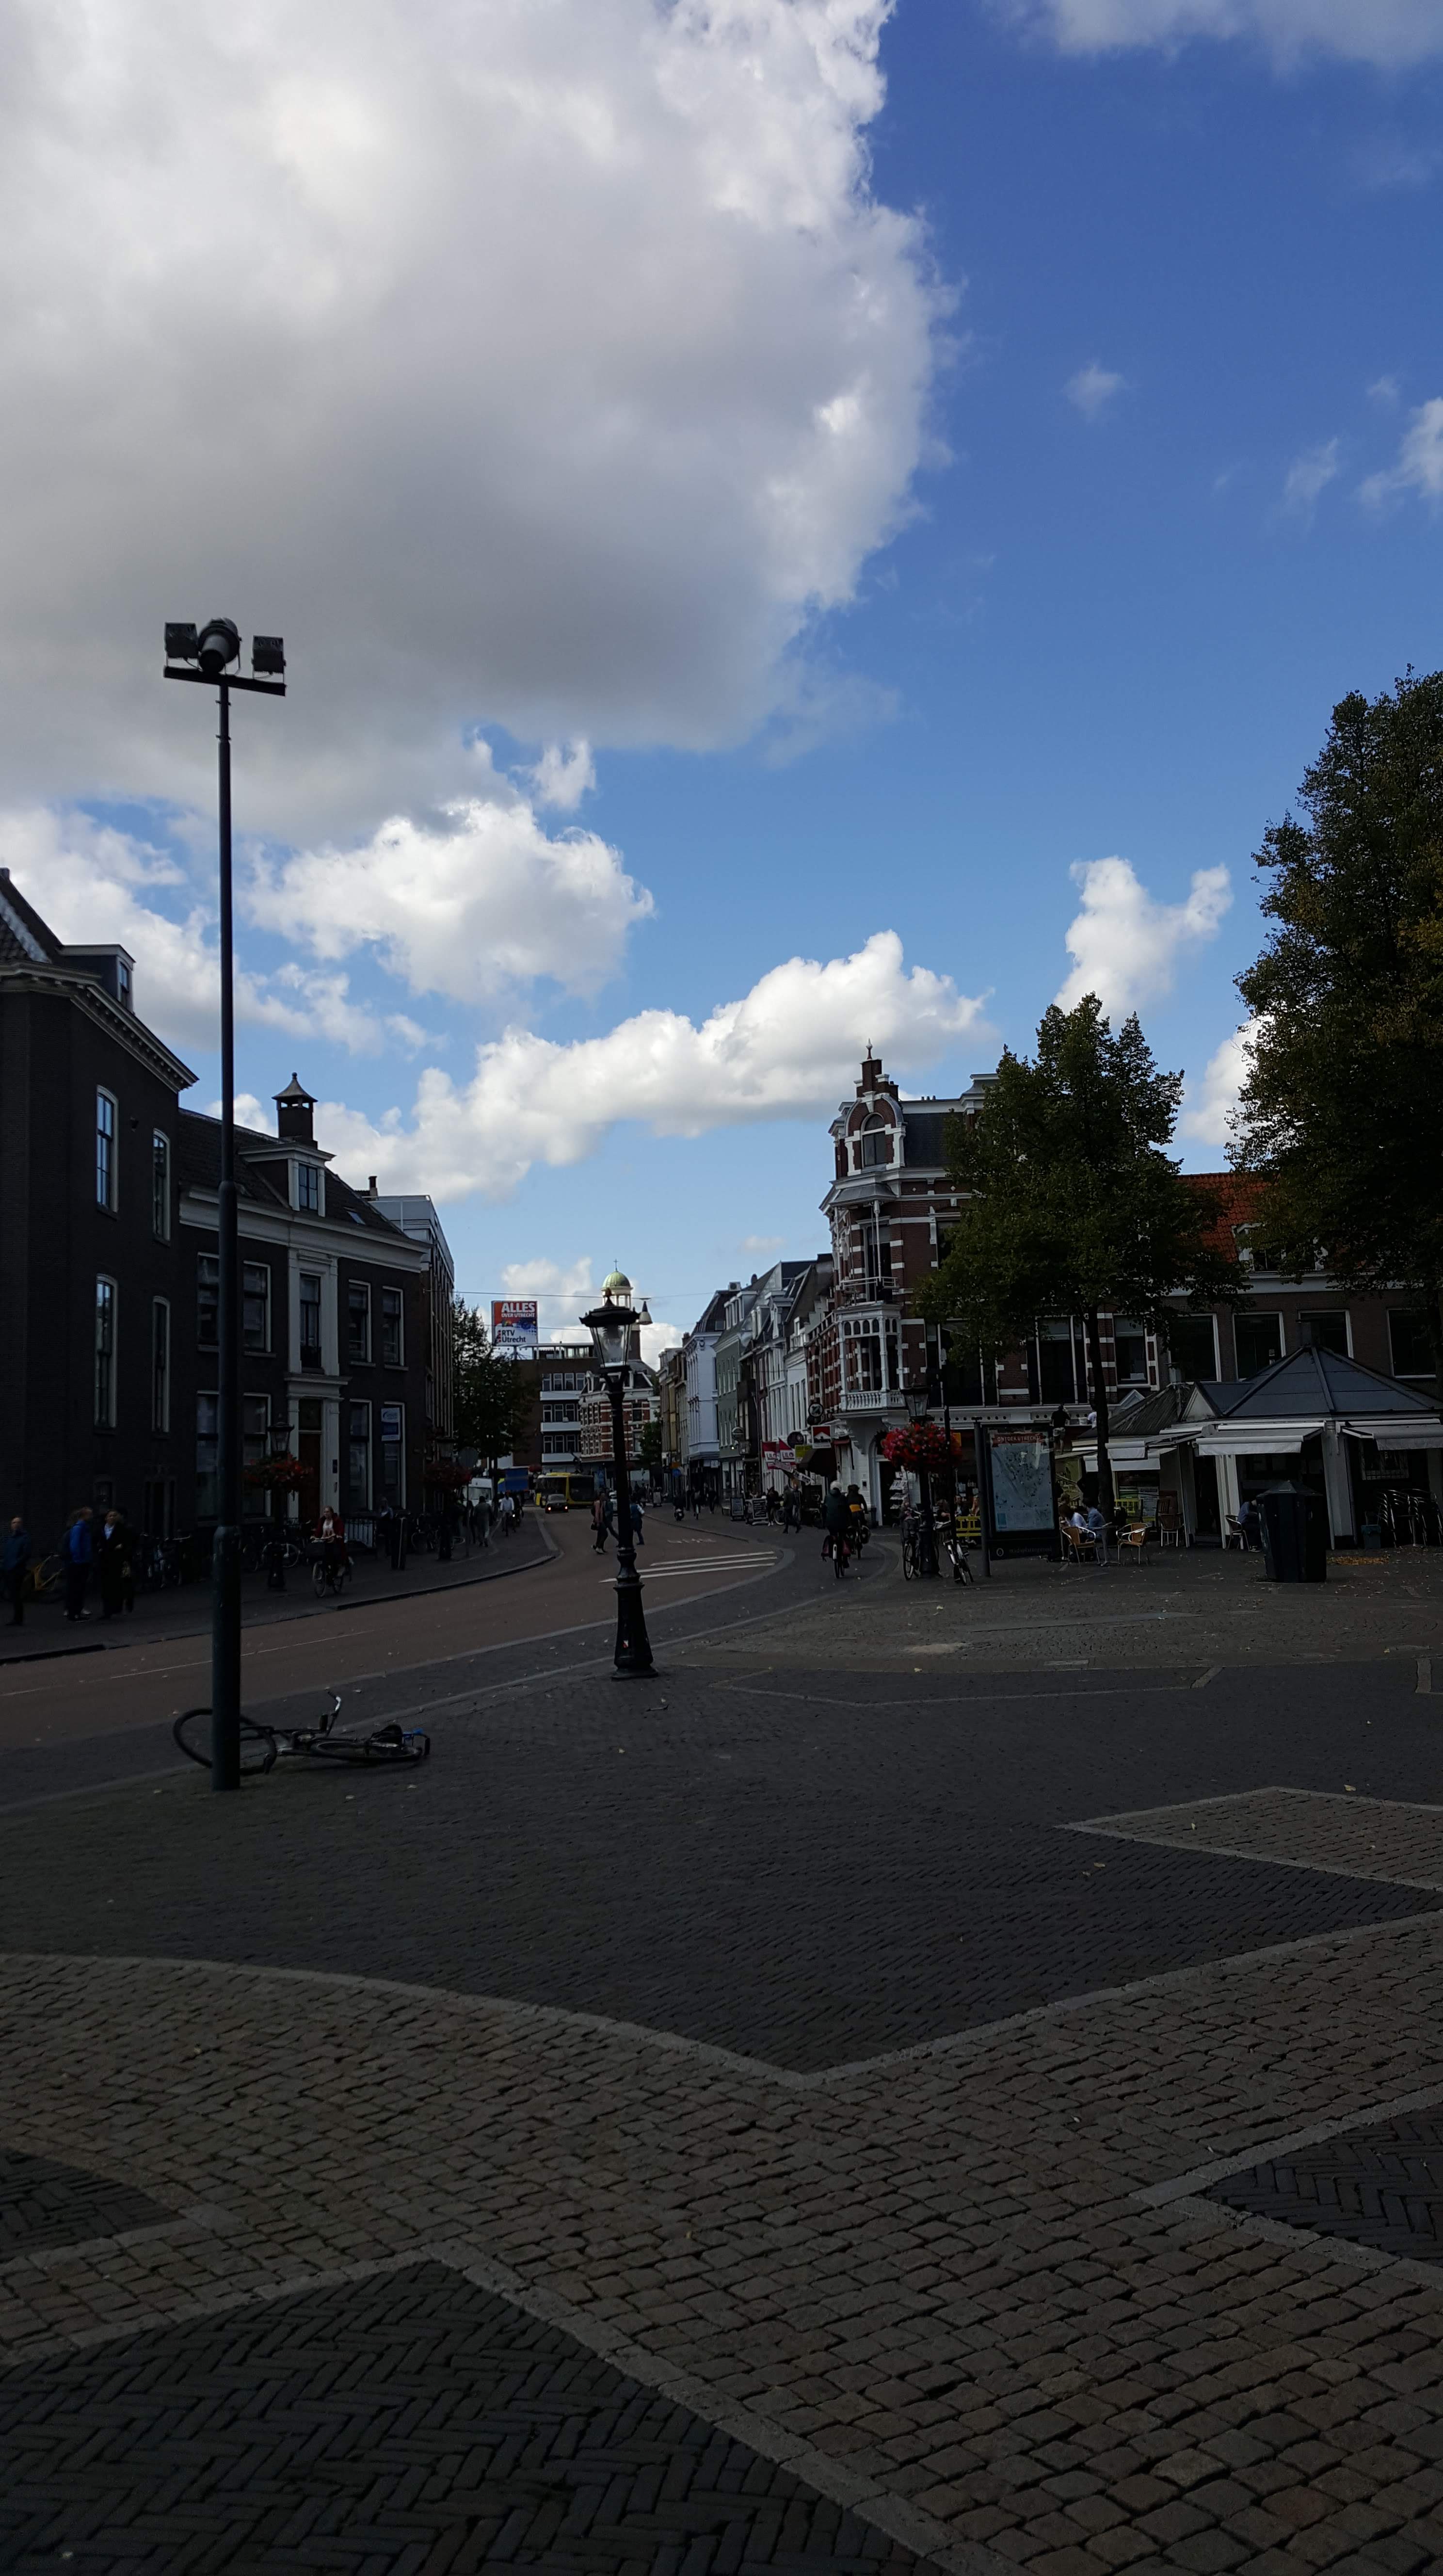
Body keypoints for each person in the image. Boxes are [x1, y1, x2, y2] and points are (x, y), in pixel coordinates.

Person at [96, 1508, 134, 1619]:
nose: (112, 1517)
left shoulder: (122, 1530)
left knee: (117, 1585)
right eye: (110, 1516)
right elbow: (95, 1542)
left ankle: (117, 1607)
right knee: (105, 1586)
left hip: (117, 1561)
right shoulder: (100, 1530)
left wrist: (122, 1549)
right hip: (104, 1561)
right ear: (106, 1518)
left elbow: (128, 1543)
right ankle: (107, 1610)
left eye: (114, 1515)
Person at [63, 1505, 93, 1621]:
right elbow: (75, 1546)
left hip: (83, 1562)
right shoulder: (79, 1528)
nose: (92, 1517)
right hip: (79, 1563)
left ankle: (77, 1612)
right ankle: (74, 1614)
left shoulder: (84, 1528)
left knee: (80, 1588)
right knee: (77, 1588)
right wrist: (79, 1560)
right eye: (90, 1514)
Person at [3, 1516, 30, 1626]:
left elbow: (26, 1554)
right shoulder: (10, 1539)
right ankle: (17, 1618)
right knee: (13, 1595)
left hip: (17, 1570)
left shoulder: (25, 1538)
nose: (16, 1524)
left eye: (18, 1522)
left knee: (16, 1595)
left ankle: (18, 1619)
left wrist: (15, 1564)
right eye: (14, 1523)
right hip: (9, 1569)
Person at [823, 1479, 851, 1578]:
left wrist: (824, 1521)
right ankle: (845, 1558)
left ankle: (832, 1553)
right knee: (844, 1537)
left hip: (830, 1523)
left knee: (833, 1536)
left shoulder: (827, 1497)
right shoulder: (843, 1497)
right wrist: (850, 1520)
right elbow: (848, 1510)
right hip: (842, 1523)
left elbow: (824, 1509)